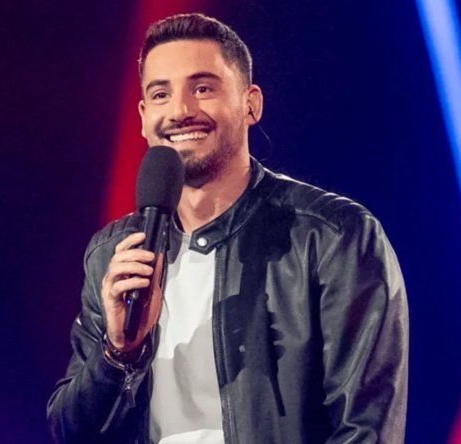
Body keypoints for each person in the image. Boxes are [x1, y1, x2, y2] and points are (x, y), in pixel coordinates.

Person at [47, 13, 408, 444]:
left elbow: (365, 429)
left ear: (250, 103)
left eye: (203, 88)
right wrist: (118, 353)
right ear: (143, 117)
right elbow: (70, 431)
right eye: (161, 94)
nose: (180, 111)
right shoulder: (114, 252)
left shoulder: (333, 237)